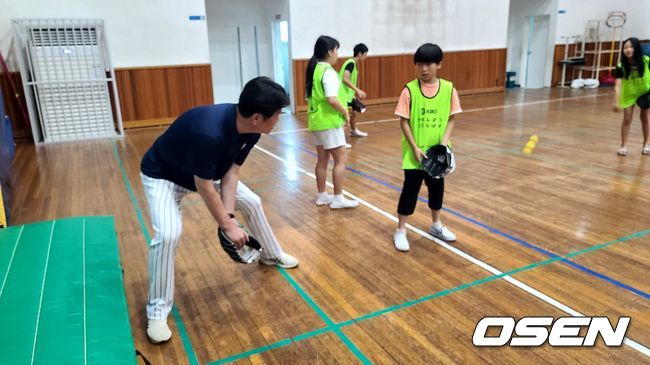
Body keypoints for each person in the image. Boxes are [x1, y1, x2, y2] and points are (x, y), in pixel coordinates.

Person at [140, 77, 299, 343]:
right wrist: (227, 226)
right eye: (277, 115)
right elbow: (203, 186)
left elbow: (231, 173)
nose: (279, 120)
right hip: (163, 175)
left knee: (253, 201)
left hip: (206, 171)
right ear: (258, 117)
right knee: (168, 234)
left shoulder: (251, 130)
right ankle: (157, 312)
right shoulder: (209, 133)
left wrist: (231, 219)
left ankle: (271, 255)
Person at [392, 43, 462, 252]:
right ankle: (401, 229)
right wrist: (413, 147)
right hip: (415, 155)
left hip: (437, 155)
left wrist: (442, 144)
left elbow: (452, 118)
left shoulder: (449, 89)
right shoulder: (409, 90)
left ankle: (436, 225)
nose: (423, 69)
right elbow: (403, 122)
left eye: (429, 64)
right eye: (419, 64)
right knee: (410, 191)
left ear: (439, 64)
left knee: (437, 190)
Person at [306, 35, 359, 209]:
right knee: (340, 160)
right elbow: (331, 99)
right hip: (328, 122)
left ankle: (322, 195)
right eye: (336, 50)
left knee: (322, 160)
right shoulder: (328, 72)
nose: (337, 54)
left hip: (317, 122)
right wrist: (345, 112)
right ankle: (338, 198)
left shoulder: (315, 70)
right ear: (329, 51)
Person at [612, 37, 650, 156]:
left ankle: (646, 143)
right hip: (629, 93)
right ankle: (623, 146)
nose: (628, 50)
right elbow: (617, 86)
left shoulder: (646, 60)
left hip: (645, 92)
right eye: (625, 48)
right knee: (627, 119)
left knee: (645, 118)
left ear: (636, 49)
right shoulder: (621, 66)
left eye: (630, 47)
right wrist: (616, 101)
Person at [339, 43, 369, 139]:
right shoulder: (351, 64)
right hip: (342, 95)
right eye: (365, 54)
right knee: (345, 116)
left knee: (354, 113)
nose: (366, 56)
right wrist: (358, 90)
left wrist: (353, 94)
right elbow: (345, 79)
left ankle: (353, 130)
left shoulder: (352, 63)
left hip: (348, 95)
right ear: (360, 54)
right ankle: (342, 140)